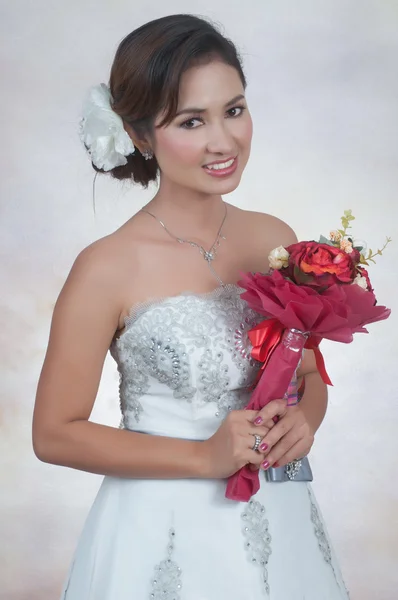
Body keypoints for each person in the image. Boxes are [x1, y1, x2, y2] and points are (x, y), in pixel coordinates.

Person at [32, 14, 350, 599]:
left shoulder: (273, 238)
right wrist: (205, 457)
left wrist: (307, 418)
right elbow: (53, 434)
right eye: (190, 121)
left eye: (233, 110)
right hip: (162, 531)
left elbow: (306, 374)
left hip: (280, 518)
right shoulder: (105, 267)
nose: (223, 141)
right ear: (138, 135)